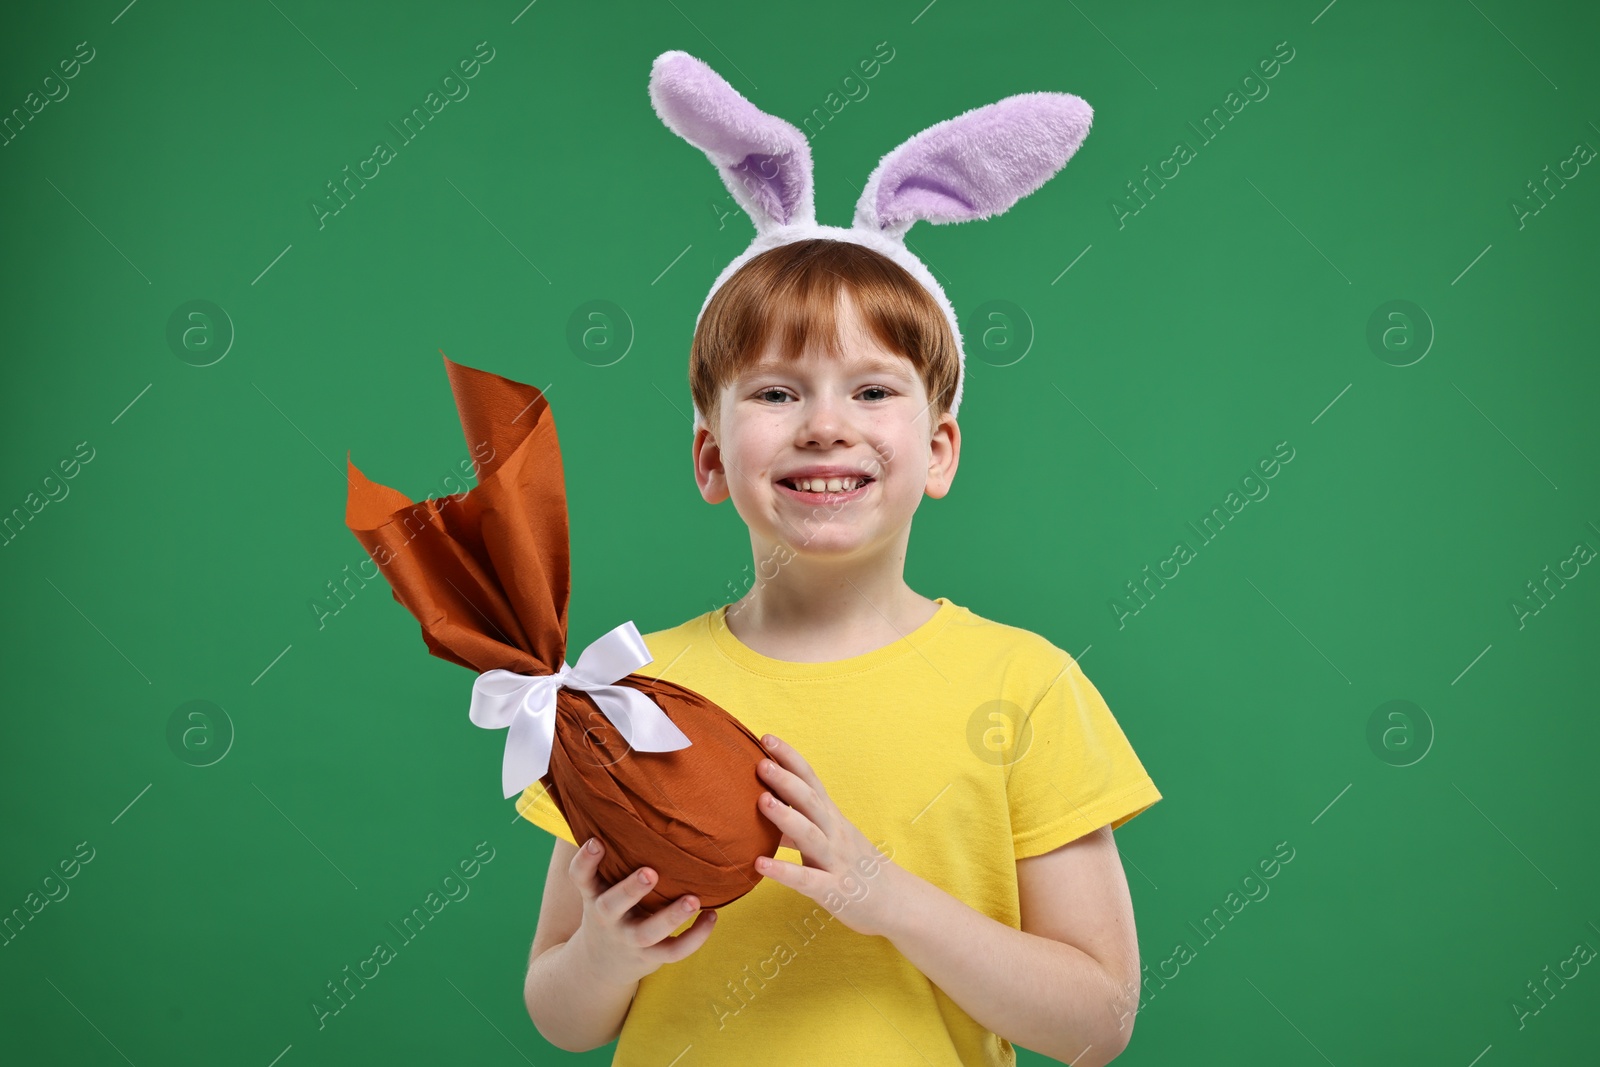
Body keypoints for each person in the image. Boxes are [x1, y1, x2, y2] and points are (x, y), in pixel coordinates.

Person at [516, 236, 1162, 1065]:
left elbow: (1098, 1022)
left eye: (871, 389)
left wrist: (887, 896)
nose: (825, 425)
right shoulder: (629, 690)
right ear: (712, 457)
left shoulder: (1026, 683)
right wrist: (607, 955)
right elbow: (559, 1013)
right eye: (778, 391)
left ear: (938, 450)